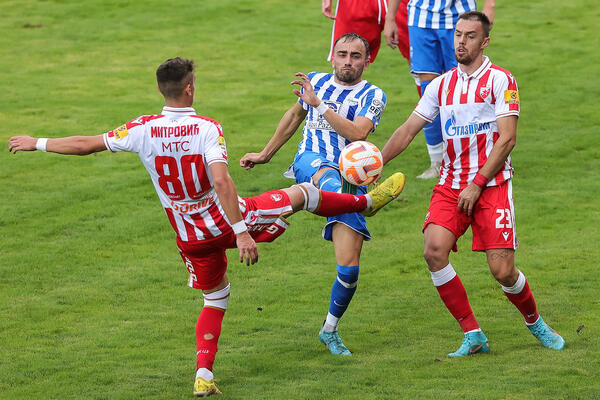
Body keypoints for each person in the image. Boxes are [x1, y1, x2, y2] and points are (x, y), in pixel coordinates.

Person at [8, 57, 406, 396]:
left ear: (163, 90)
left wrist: (37, 142)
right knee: (302, 193)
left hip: (189, 237)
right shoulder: (206, 128)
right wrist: (241, 231)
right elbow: (220, 181)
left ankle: (203, 376)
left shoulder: (141, 129)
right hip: (226, 220)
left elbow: (84, 144)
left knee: (216, 299)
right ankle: (366, 201)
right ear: (190, 89)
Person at [379, 12, 565, 356]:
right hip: (451, 184)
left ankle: (535, 321)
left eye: (469, 36)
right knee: (434, 251)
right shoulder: (440, 85)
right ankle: (473, 334)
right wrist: (378, 163)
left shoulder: (501, 80)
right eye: (458, 35)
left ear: (484, 42)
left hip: (491, 185)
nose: (461, 42)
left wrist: (478, 183)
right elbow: (407, 130)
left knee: (503, 271)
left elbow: (507, 139)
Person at [240, 33, 402, 357]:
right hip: (311, 162)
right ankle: (362, 203)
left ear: (366, 61)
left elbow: (358, 132)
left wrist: (320, 105)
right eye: (342, 54)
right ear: (333, 56)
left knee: (349, 269)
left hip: (350, 180)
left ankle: (329, 330)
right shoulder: (314, 82)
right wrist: (266, 153)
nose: (347, 61)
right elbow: (294, 116)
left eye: (356, 56)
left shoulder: (374, 95)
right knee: (326, 177)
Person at [385, 0, 495, 179]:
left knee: (463, 84)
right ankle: (436, 161)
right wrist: (390, 18)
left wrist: (489, 6)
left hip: (460, 17)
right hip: (421, 18)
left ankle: (469, 156)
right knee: (428, 87)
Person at [322, 0, 411, 63]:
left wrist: (390, 18)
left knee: (418, 59)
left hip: (400, 3)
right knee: (346, 57)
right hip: (355, 3)